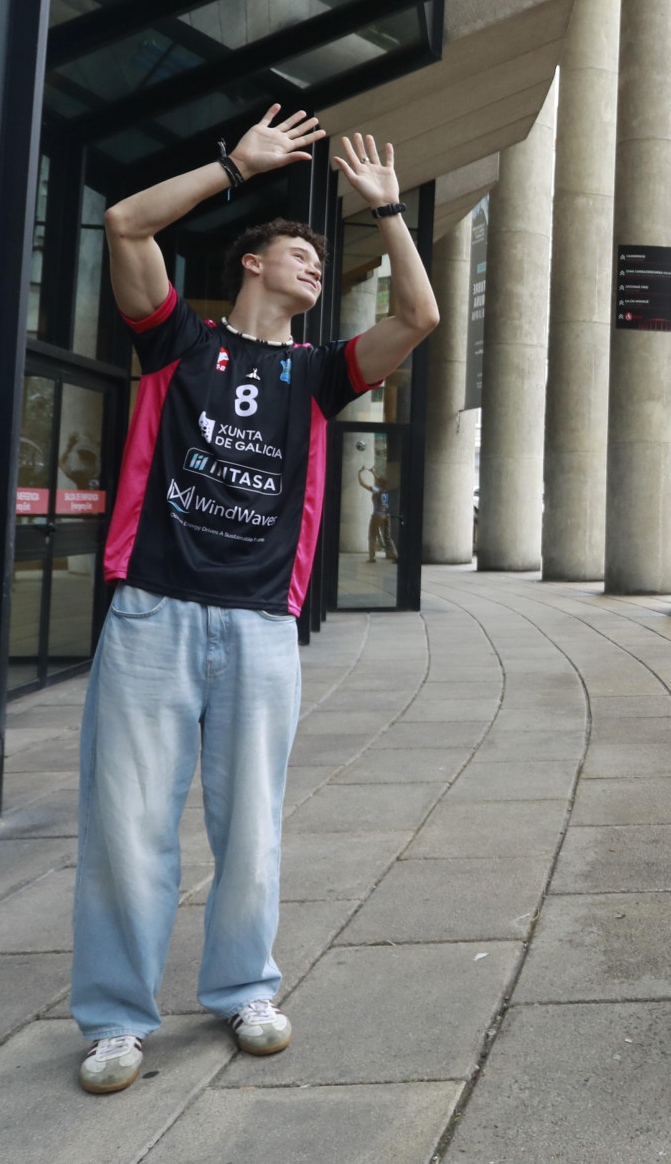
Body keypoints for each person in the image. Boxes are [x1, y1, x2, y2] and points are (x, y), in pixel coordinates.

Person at [71, 108, 438, 1095]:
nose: (313, 266)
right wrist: (234, 166)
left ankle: (244, 987)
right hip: (152, 610)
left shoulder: (318, 374)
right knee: (126, 821)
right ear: (250, 264)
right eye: (296, 252)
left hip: (262, 626)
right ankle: (114, 1021)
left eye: (320, 258)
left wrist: (390, 212)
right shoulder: (177, 342)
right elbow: (124, 225)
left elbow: (418, 319)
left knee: (252, 825)